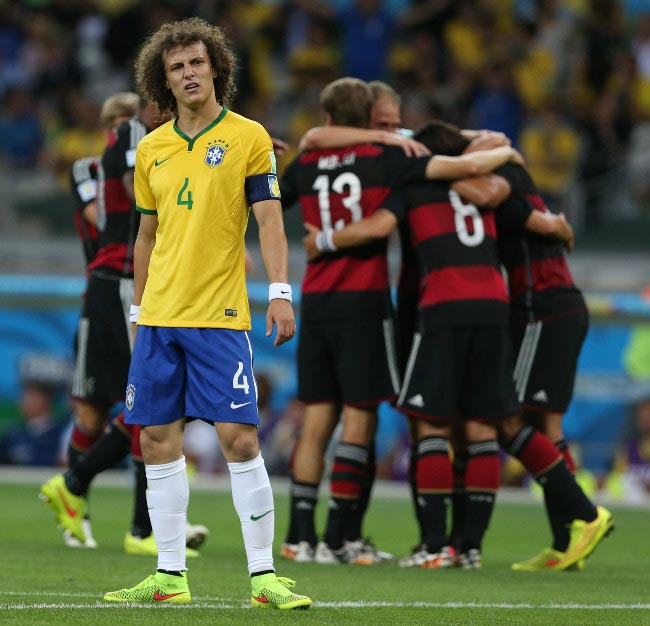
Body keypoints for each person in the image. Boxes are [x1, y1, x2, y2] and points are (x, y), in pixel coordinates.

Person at [304, 121, 614, 570]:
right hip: (495, 306)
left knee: (434, 426)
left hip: (456, 305)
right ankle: (469, 548)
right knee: (487, 426)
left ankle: (440, 545)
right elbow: (514, 195)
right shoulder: (487, 186)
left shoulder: (417, 181)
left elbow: (376, 227)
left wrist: (324, 240)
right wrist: (554, 223)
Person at [102, 18, 311, 609]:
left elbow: (270, 221)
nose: (189, 74)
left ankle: (264, 578)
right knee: (156, 440)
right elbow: (145, 237)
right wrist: (139, 308)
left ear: (217, 66)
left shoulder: (249, 137)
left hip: (220, 316)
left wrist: (279, 291)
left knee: (240, 440)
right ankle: (170, 576)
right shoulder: (152, 148)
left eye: (197, 63)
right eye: (176, 68)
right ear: (162, 81)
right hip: (160, 316)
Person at [280, 77, 522, 565]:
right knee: (360, 418)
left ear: (328, 117)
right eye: (385, 124)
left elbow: (275, 188)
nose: (393, 130)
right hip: (366, 299)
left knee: (317, 419)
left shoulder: (308, 157)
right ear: (369, 120)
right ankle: (339, 537)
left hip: (317, 297)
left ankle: (299, 536)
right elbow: (474, 160)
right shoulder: (391, 159)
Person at [0, 382, 66, 466]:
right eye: (25, 395)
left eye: (32, 395)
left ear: (45, 400)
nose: (24, 400)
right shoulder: (13, 434)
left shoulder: (62, 433)